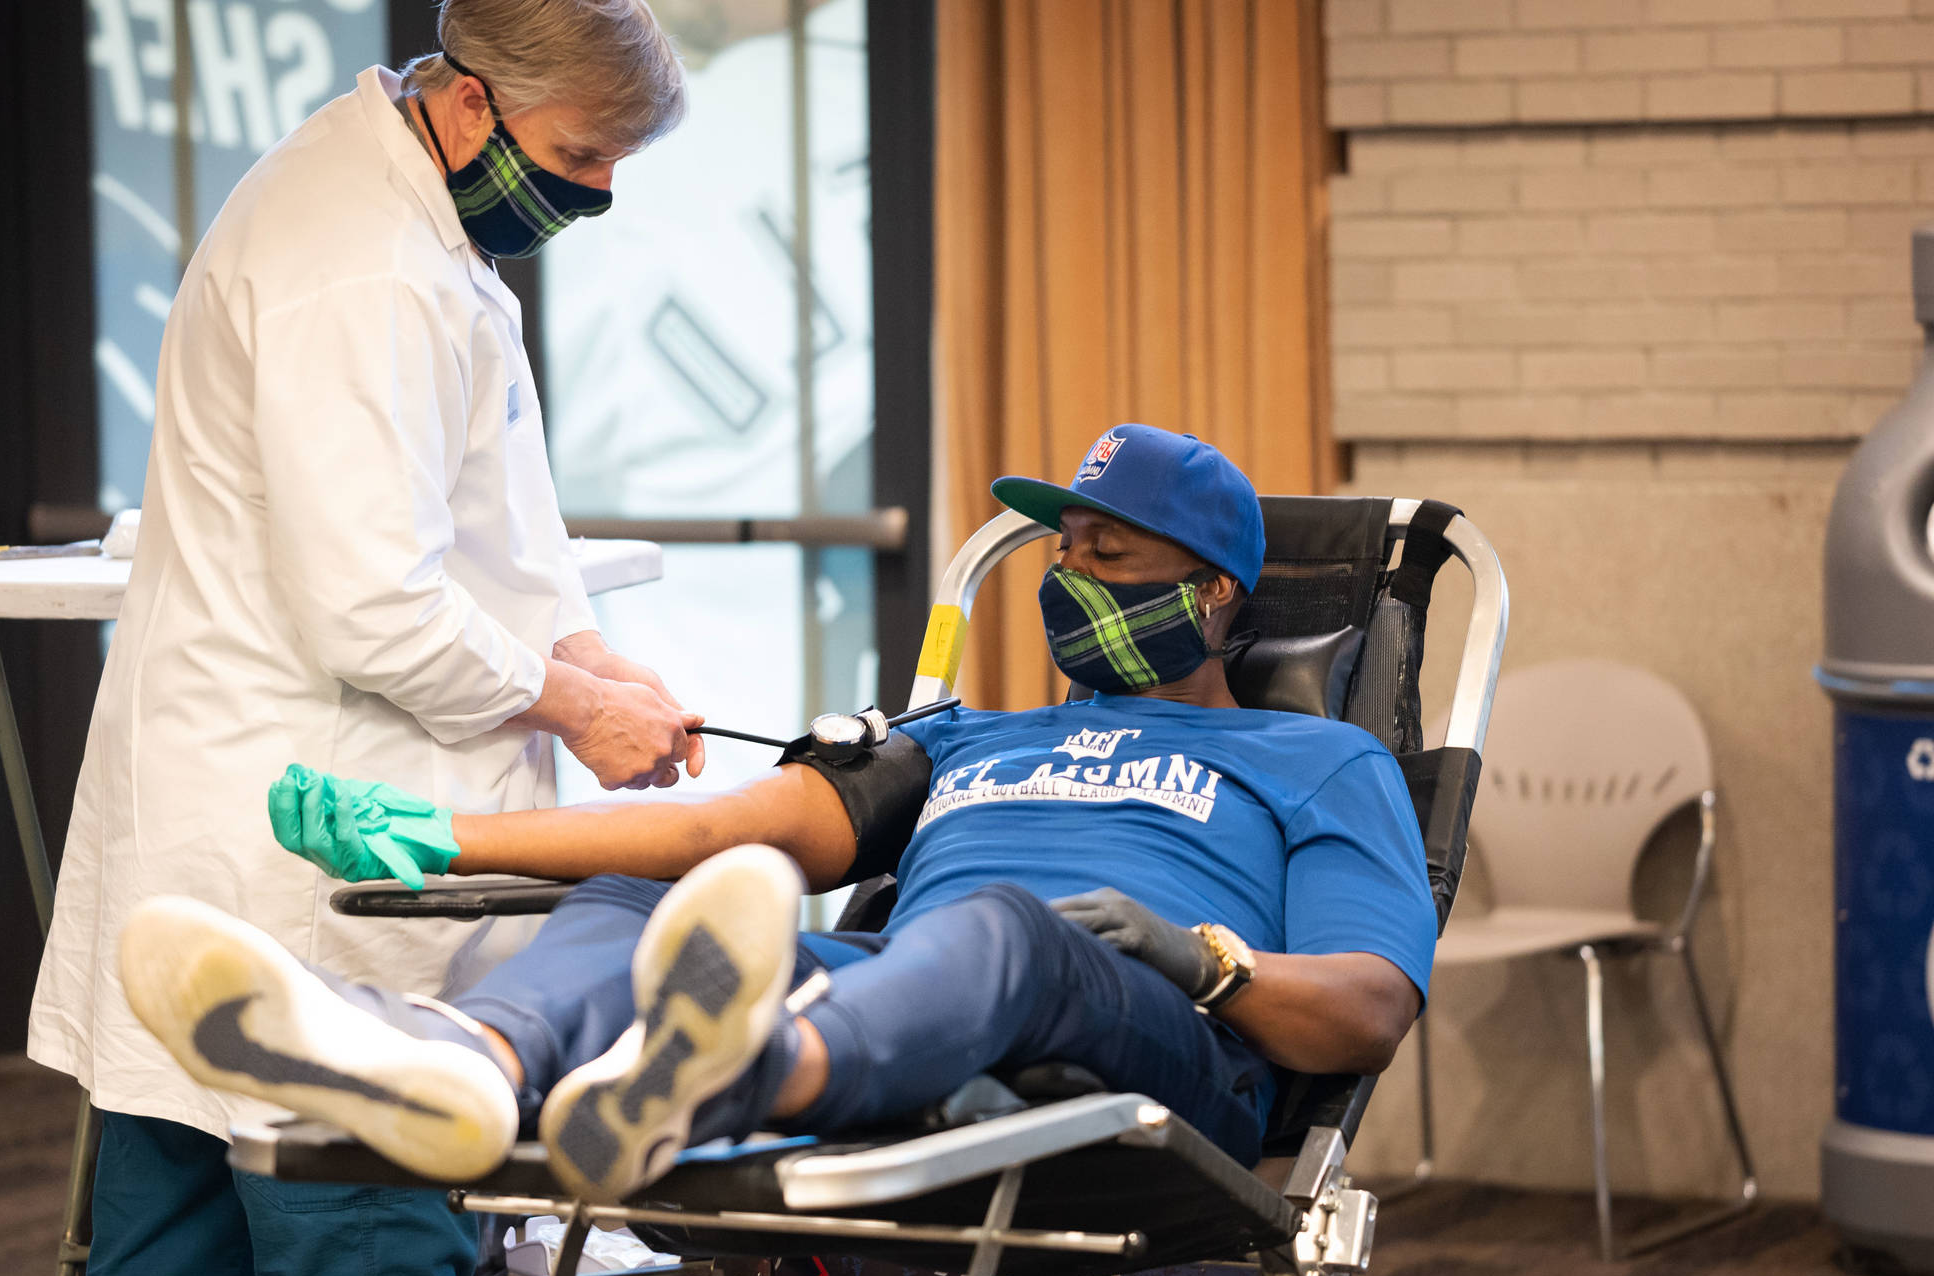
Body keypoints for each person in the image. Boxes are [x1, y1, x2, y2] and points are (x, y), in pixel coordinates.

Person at [119, 426, 1437, 1210]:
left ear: (1210, 597)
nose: (1069, 578)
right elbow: (712, 833)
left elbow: (1371, 1007)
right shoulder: (963, 736)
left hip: (1159, 1052)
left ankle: (715, 1076)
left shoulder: (1310, 755)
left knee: (1002, 926)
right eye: (1061, 552)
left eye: (1111, 555)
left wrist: (1198, 953)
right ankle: (469, 1057)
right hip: (905, 1001)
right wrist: (438, 833)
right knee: (659, 904)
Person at [26, 3, 700, 1276]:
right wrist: (578, 705)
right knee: (360, 1269)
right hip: (316, 862)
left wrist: (584, 652)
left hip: (229, 831)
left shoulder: (387, 203)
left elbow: (482, 518)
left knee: (178, 1249)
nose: (602, 191)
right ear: (469, 109)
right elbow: (377, 613)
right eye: (583, 152)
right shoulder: (370, 265)